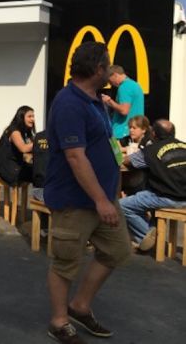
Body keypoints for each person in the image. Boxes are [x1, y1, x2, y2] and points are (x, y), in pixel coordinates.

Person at [43, 41, 130, 344]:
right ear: (98, 69)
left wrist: (112, 190)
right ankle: (58, 321)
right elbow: (75, 157)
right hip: (75, 201)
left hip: (102, 199)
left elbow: (106, 147)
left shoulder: (95, 99)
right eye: (108, 65)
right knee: (66, 262)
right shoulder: (69, 103)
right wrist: (101, 199)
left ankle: (80, 306)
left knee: (117, 251)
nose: (111, 69)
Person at [120, 120, 186, 251]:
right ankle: (152, 228)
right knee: (144, 194)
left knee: (122, 206)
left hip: (167, 198)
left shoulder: (151, 150)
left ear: (153, 134)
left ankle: (146, 235)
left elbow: (128, 161)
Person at [0, 106, 36, 185]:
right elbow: (23, 148)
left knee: (40, 171)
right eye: (29, 116)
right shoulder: (14, 131)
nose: (32, 119)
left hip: (15, 164)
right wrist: (39, 142)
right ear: (21, 118)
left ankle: (41, 195)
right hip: (7, 167)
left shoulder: (24, 132)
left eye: (33, 116)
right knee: (39, 174)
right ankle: (40, 196)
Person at [101, 65, 144, 141]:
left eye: (109, 80)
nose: (110, 84)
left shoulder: (124, 87)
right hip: (132, 131)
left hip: (122, 133)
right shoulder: (134, 85)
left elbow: (124, 111)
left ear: (115, 75)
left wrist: (109, 101)